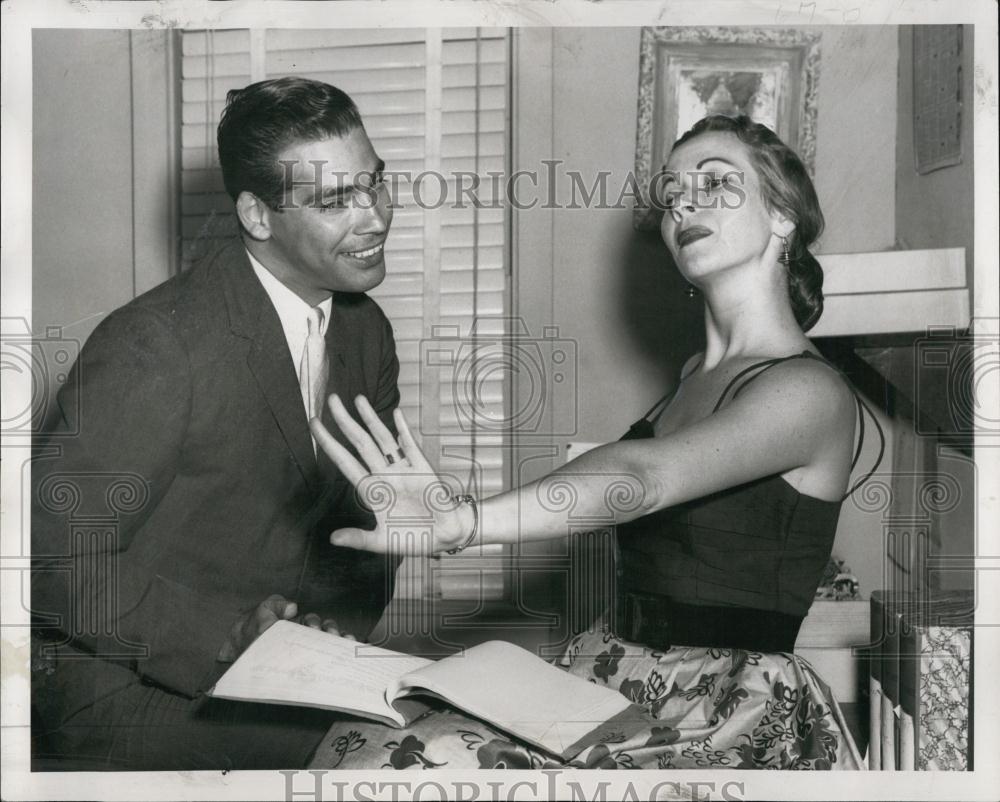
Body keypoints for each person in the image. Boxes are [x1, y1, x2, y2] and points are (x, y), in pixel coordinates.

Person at [309, 115, 883, 770]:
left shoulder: (810, 391)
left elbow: (641, 480)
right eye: (670, 196)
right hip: (614, 667)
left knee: (407, 764)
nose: (684, 204)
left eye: (716, 183)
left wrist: (459, 523)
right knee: (362, 738)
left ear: (783, 216)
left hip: (724, 707)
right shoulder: (695, 376)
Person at [31, 77, 402, 770]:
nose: (375, 217)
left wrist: (325, 632)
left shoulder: (364, 332)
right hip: (130, 687)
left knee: (452, 736)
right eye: (334, 201)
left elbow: (367, 523)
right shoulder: (155, 346)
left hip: (284, 674)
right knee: (405, 757)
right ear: (257, 216)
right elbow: (46, 559)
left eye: (376, 184)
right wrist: (232, 636)